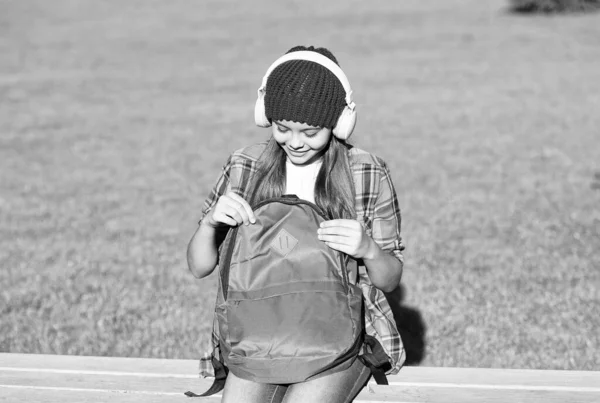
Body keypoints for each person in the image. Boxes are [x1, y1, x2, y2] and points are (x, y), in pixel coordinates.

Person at [187, 45, 405, 403]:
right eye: (283, 128)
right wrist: (211, 223)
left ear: (338, 122)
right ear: (265, 116)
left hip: (342, 335)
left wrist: (368, 249)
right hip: (260, 335)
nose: (296, 142)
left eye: (311, 131)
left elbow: (391, 279)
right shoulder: (246, 165)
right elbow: (199, 267)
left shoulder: (366, 171)